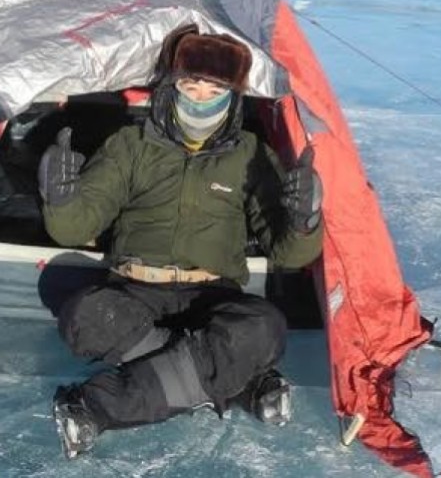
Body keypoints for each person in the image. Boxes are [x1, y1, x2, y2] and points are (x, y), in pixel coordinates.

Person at [37, 25, 324, 458]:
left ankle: (96, 407)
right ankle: (239, 384)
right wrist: (60, 199)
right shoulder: (131, 144)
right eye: (191, 84)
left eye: (214, 90)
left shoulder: (249, 154)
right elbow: (73, 229)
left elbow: (288, 253)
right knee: (85, 316)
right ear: (172, 86)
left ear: (233, 97)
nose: (200, 98)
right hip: (132, 293)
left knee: (263, 327)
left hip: (213, 296)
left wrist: (305, 221)